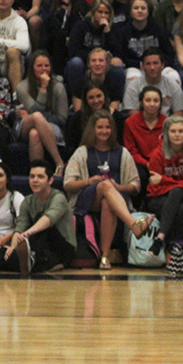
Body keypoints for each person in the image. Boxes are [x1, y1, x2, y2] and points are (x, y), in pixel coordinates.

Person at [63, 111, 147, 270]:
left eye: (108, 127)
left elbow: (135, 186)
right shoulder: (82, 152)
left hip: (116, 200)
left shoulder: (122, 152)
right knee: (105, 185)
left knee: (108, 201)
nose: (104, 131)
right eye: (100, 127)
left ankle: (105, 256)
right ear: (92, 129)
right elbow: (68, 184)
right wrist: (89, 181)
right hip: (86, 200)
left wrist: (118, 187)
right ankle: (133, 224)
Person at [146, 115, 183, 252]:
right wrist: (180, 184)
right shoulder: (157, 154)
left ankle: (160, 237)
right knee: (180, 209)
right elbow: (155, 186)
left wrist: (165, 180)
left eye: (181, 131)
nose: (177, 135)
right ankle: (175, 248)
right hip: (158, 198)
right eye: (173, 131)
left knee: (177, 192)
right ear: (166, 134)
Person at [15, 50, 68, 174]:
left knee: (35, 133)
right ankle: (59, 162)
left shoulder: (58, 87)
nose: (43, 69)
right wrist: (43, 88)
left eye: (46, 65)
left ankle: (37, 173)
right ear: (32, 68)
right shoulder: (22, 87)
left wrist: (37, 117)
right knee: (36, 117)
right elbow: (35, 111)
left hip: (51, 127)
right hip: (24, 126)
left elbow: (61, 119)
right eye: (39, 65)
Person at [65, 0, 118, 96]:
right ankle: (77, 98)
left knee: (117, 64)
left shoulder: (111, 29)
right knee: (75, 62)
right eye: (100, 12)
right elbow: (73, 51)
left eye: (106, 13)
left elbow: (116, 51)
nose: (103, 15)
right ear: (93, 13)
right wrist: (94, 57)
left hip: (103, 64)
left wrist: (107, 32)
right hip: (84, 63)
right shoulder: (80, 26)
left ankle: (112, 99)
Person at [123, 85, 166, 201]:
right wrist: (146, 163)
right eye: (148, 100)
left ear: (161, 103)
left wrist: (156, 163)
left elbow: (168, 148)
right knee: (139, 174)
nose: (152, 104)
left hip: (162, 162)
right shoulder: (130, 122)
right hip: (140, 163)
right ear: (141, 102)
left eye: (156, 100)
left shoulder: (167, 122)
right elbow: (131, 150)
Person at [122, 48, 183, 117]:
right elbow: (133, 117)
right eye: (148, 64)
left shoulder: (172, 85)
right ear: (142, 66)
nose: (152, 67)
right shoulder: (133, 86)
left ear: (162, 65)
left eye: (155, 63)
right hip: (141, 126)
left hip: (166, 125)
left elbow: (179, 115)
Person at [66, 80, 109, 152]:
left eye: (99, 96)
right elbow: (70, 147)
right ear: (86, 100)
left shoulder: (115, 116)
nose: (96, 100)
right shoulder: (77, 118)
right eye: (91, 97)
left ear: (104, 96)